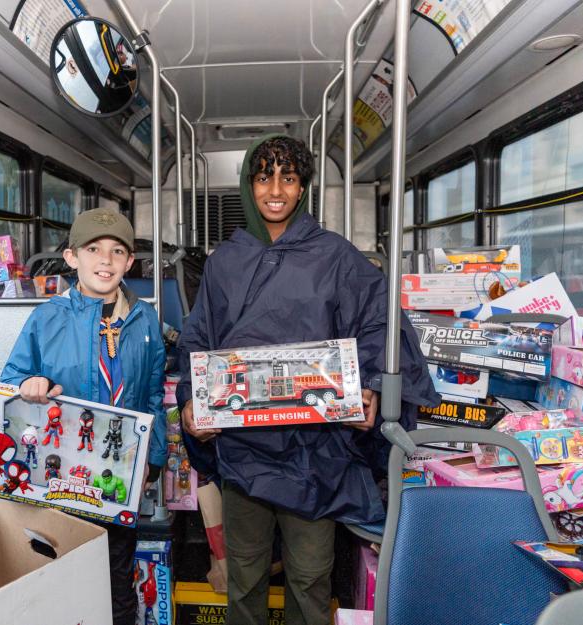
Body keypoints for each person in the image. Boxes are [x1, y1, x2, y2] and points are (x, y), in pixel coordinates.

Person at [175, 135, 439, 625]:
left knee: (310, 580)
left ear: (303, 189)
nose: (276, 190)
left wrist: (372, 390)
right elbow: (198, 338)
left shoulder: (335, 256)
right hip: (244, 452)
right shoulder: (224, 263)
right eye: (264, 177)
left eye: (289, 178)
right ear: (248, 184)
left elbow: (380, 324)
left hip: (315, 455)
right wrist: (192, 402)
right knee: (244, 579)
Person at [0, 207, 167, 625]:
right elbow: (10, 382)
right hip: (56, 478)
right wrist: (28, 385)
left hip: (116, 477)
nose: (105, 261)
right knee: (58, 581)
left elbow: (152, 395)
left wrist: (155, 460)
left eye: (116, 252)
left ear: (130, 262)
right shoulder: (47, 318)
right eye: (93, 249)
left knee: (116, 582)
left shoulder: (144, 319)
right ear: (72, 257)